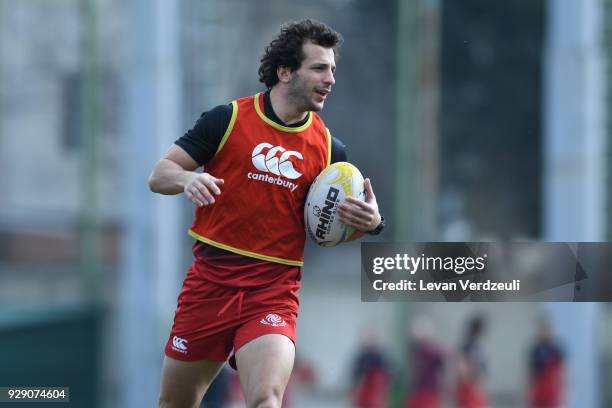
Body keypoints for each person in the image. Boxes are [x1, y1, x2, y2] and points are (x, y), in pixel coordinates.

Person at [149, 19, 384, 408]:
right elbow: (159, 174)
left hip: (272, 292)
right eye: (319, 68)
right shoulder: (226, 120)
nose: (330, 79)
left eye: (333, 70)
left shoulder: (330, 150)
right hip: (209, 286)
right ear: (285, 71)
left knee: (266, 399)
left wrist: (372, 221)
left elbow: (339, 225)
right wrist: (186, 179)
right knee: (175, 403)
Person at [405, 316, 446, 408]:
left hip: (429, 391)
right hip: (416, 390)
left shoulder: (434, 349)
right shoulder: (413, 349)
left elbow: (443, 361)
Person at [528, 318, 565, 408]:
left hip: (552, 390)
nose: (546, 333)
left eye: (548, 330)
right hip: (539, 390)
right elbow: (530, 373)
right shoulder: (536, 350)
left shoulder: (556, 349)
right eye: (543, 331)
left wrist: (563, 391)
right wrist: (528, 393)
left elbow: (563, 371)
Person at [454, 316, 489, 408]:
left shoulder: (475, 344)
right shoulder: (471, 344)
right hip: (470, 386)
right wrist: (470, 379)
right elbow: (463, 365)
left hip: (473, 385)